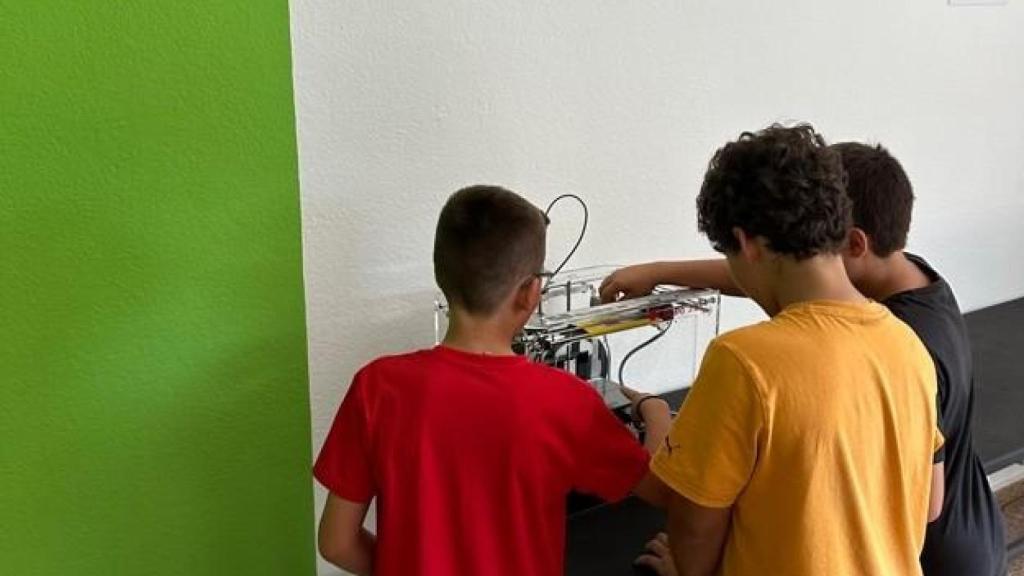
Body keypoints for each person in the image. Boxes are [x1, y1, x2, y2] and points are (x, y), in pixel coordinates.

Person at [602, 141, 1006, 576]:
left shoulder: (741, 360)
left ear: (745, 243)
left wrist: (654, 410)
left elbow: (693, 523)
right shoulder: (905, 342)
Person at [313, 185, 672, 576]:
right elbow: (660, 488)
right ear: (530, 292)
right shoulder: (567, 401)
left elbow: (336, 543)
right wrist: (653, 410)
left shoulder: (375, 387)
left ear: (442, 274)